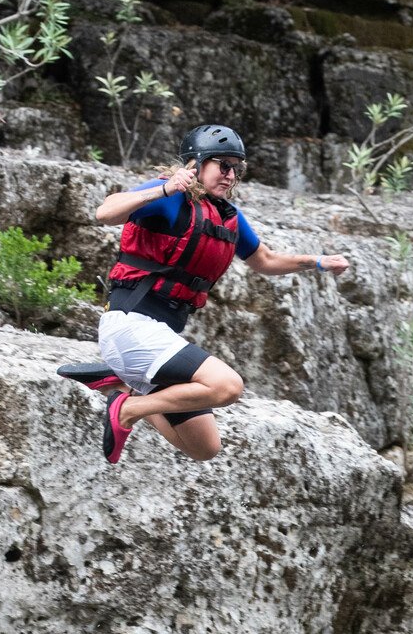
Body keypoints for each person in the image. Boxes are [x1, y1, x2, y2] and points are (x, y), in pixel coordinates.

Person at [59, 123, 349, 464]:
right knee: (227, 386)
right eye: (222, 165)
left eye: (236, 169)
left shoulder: (227, 217)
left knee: (203, 447)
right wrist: (164, 189)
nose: (230, 175)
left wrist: (317, 262)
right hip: (130, 325)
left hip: (156, 339)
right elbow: (105, 212)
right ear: (195, 165)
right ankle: (129, 408)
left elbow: (266, 261)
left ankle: (126, 386)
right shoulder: (169, 198)